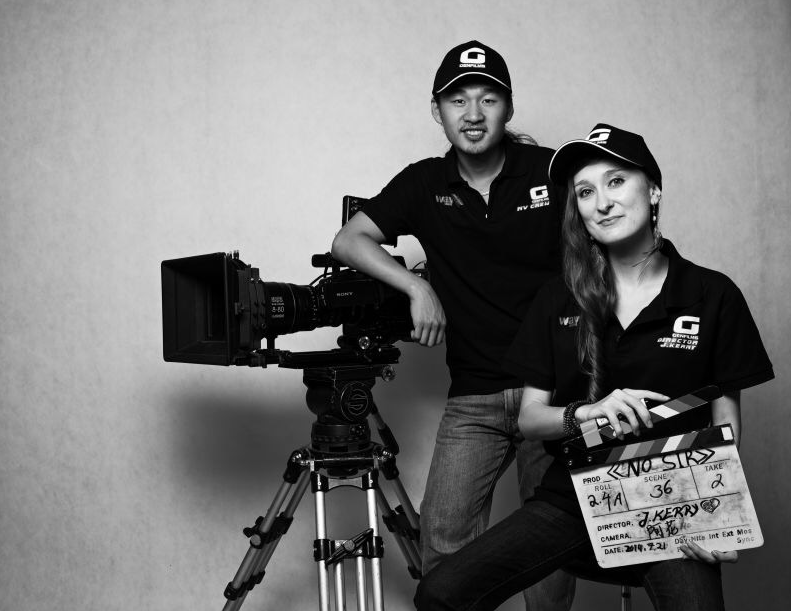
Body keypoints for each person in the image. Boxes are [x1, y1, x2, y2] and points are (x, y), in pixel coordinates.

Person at [414, 123, 775, 611]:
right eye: (585, 192)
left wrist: (720, 518)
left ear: (653, 190)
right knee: (440, 593)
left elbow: (725, 418)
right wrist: (586, 413)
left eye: (616, 181)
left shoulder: (713, 294)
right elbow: (529, 419)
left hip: (675, 504)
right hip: (576, 496)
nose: (602, 202)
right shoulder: (557, 298)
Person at [331, 41, 575, 609]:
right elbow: (349, 240)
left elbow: (609, 243)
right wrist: (417, 287)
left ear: (508, 108)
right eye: (458, 100)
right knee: (443, 546)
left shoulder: (551, 171)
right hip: (476, 392)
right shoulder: (424, 182)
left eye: (488, 99)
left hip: (557, 390)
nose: (473, 114)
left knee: (549, 548)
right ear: (437, 111)